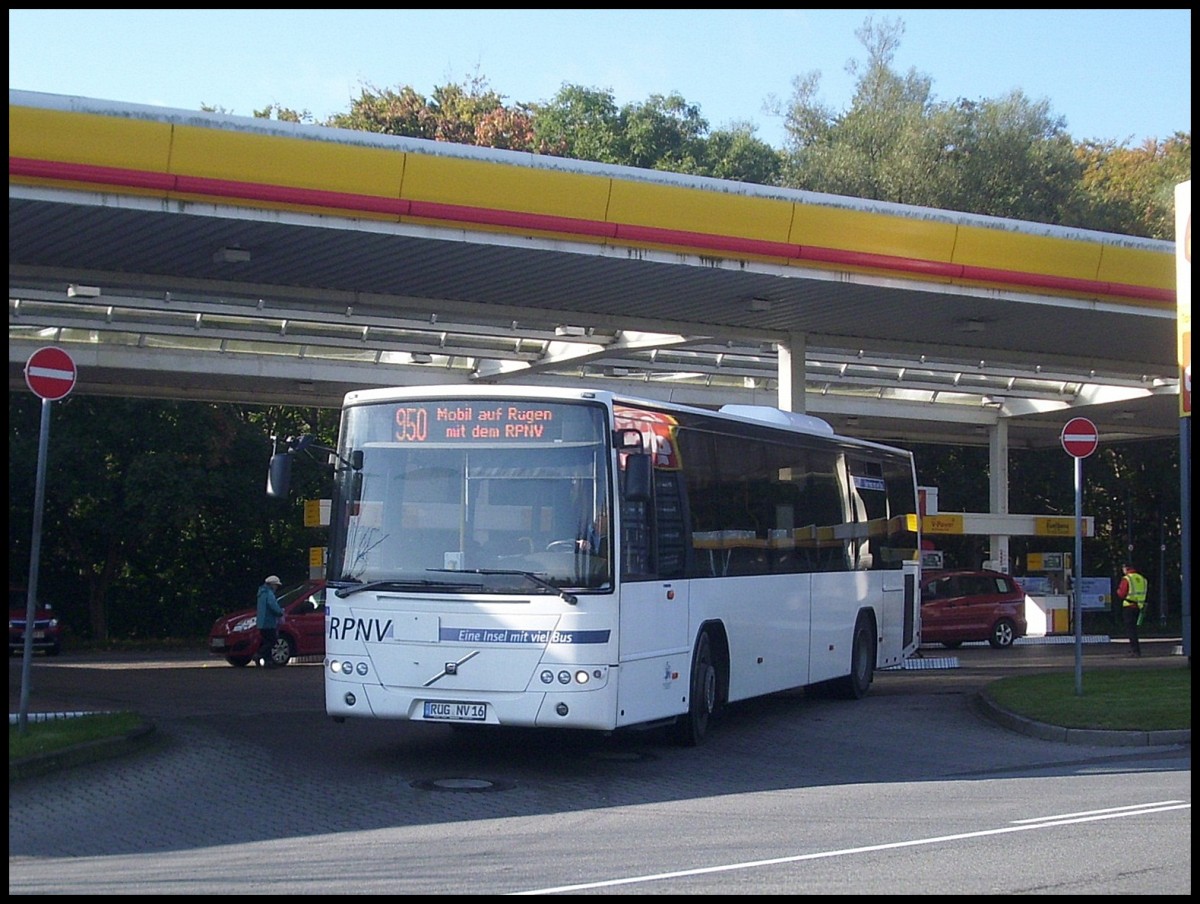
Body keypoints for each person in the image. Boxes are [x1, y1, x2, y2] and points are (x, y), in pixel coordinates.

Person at [1116, 563, 1148, 657]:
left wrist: (1118, 591)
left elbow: (1121, 593)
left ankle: (1135, 651)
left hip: (1129, 606)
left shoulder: (1127, 579)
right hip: (1140, 607)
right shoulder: (1143, 579)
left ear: (1126, 568)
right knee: (1134, 629)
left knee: (1130, 630)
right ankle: (1135, 649)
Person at [256, 575, 285, 668]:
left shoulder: (261, 593)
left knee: (266, 641)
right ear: (272, 584)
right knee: (272, 640)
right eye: (276, 585)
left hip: (261, 622)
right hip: (268, 622)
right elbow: (273, 606)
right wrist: (280, 612)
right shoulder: (269, 594)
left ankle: (268, 662)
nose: (276, 587)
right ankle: (259, 655)